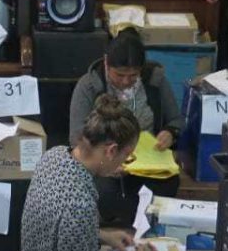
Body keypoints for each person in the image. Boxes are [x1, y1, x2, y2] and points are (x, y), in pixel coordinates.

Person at [21, 94, 197, 251]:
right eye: (128, 156)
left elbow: (56, 227)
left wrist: (102, 235)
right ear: (111, 150)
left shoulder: (55, 155)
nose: (125, 163)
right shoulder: (79, 206)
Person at [69, 30, 184, 225]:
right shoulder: (89, 85)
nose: (125, 81)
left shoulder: (155, 81)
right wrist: (106, 162)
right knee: (106, 191)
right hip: (106, 161)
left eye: (133, 75)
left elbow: (176, 120)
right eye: (119, 75)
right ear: (107, 63)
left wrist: (170, 133)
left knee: (168, 184)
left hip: (148, 162)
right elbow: (76, 136)